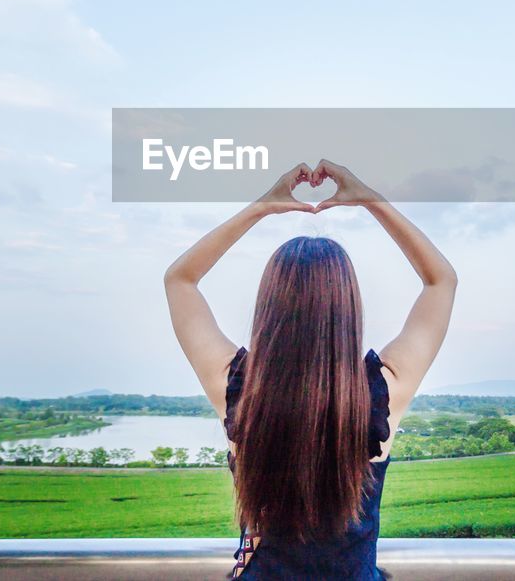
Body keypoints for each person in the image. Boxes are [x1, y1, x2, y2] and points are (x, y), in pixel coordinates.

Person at [164, 159, 458, 579]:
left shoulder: (238, 390)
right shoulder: (382, 394)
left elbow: (180, 280)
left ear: (268, 309)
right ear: (349, 309)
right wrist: (369, 198)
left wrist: (263, 206)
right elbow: (441, 280)